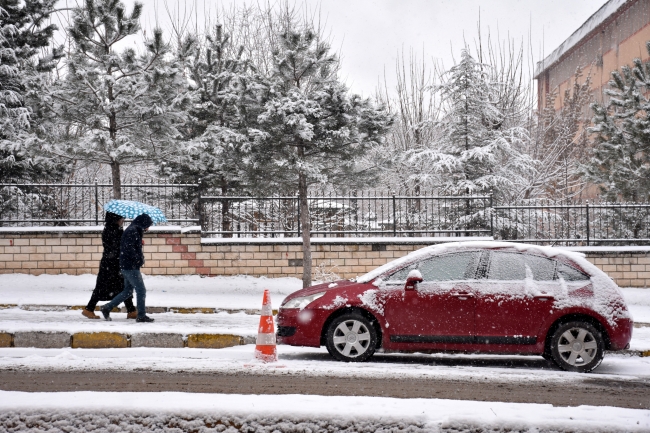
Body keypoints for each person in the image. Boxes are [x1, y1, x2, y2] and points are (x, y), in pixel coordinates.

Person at [82, 212, 137, 320]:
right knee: (105, 287)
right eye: (121, 218)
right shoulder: (111, 231)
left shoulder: (115, 229)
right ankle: (89, 309)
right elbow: (115, 247)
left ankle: (131, 310)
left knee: (122, 286)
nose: (123, 220)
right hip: (111, 264)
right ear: (115, 219)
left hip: (113, 263)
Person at [101, 213, 155, 323]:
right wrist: (137, 259)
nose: (148, 228)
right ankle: (141, 315)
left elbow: (130, 246)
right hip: (130, 266)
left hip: (127, 265)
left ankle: (107, 307)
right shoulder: (133, 231)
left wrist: (139, 244)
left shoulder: (134, 230)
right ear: (143, 223)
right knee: (141, 290)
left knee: (128, 291)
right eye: (148, 225)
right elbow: (128, 249)